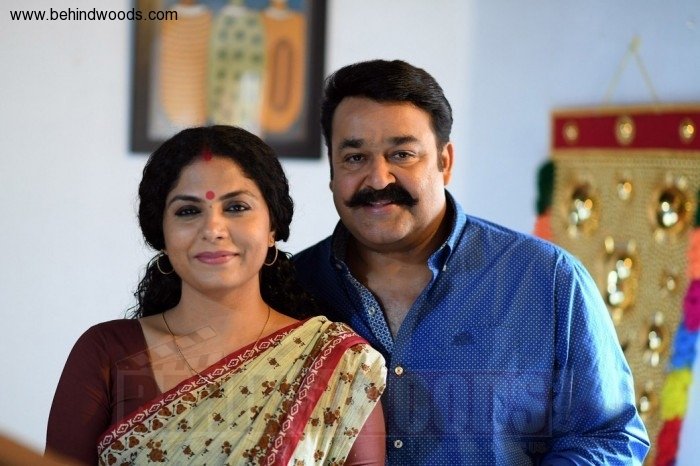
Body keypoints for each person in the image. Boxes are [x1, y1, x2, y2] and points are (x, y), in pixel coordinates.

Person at [293, 59, 650, 464]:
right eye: (355, 158)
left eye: (402, 154)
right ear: (332, 172)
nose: (378, 179)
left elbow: (608, 437)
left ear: (444, 162)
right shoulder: (290, 288)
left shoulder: (547, 280)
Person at [46, 126, 386, 465]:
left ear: (272, 228)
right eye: (188, 211)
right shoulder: (107, 353)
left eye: (236, 207)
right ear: (162, 235)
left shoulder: (338, 365)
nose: (213, 229)